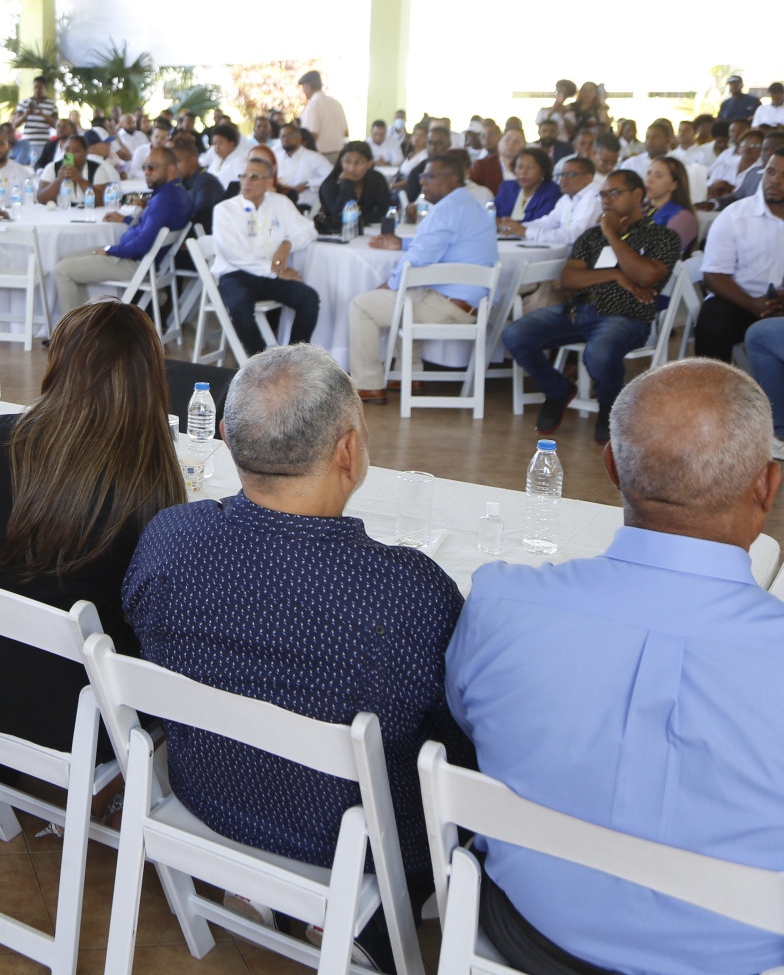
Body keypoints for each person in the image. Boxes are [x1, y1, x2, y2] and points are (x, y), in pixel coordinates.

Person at [125, 343, 465, 970]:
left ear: (226, 437)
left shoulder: (170, 538)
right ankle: (348, 917)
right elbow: (455, 737)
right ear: (348, 451)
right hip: (359, 841)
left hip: (211, 795)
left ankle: (268, 893)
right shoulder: (409, 592)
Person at [447, 359, 784, 975]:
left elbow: (468, 724)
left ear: (611, 467)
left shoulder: (499, 602)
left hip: (528, 933)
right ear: (768, 485)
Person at [0, 301, 180, 758]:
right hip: (83, 712)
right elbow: (156, 617)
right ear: (149, 378)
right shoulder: (150, 479)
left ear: (60, 365)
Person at [505, 171, 681, 441]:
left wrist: (611, 234)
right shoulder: (591, 237)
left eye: (614, 193)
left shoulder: (662, 236)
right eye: (603, 195)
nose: (606, 200)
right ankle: (557, 389)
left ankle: (611, 407)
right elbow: (569, 279)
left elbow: (647, 276)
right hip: (579, 310)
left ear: (637, 195)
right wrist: (616, 275)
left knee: (598, 354)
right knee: (515, 334)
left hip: (625, 315)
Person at [348, 150, 499, 403]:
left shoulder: (446, 209)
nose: (423, 182)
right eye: (422, 177)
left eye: (430, 176)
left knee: (363, 305)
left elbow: (419, 259)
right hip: (472, 304)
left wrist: (389, 285)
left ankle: (369, 385)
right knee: (409, 293)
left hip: (450, 306)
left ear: (454, 178)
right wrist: (403, 244)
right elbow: (442, 244)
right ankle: (408, 375)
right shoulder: (470, 205)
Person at [53, 146, 192, 313]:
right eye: (144, 167)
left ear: (171, 168)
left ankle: (78, 328)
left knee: (63, 270)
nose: (146, 172)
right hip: (142, 261)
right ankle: (86, 322)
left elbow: (142, 245)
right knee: (65, 259)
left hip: (135, 263)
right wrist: (126, 219)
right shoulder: (179, 193)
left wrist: (109, 250)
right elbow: (153, 226)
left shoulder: (164, 199)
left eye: (152, 167)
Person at [210, 156, 319, 355]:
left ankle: (293, 360)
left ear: (269, 181)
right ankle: (260, 361)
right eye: (243, 175)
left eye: (254, 177)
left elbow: (308, 229)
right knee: (239, 306)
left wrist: (288, 244)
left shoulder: (280, 203)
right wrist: (275, 271)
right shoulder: (224, 210)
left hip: (271, 275)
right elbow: (234, 254)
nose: (246, 181)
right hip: (236, 275)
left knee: (309, 298)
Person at [698, 151, 784, 363]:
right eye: (771, 172)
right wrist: (752, 303)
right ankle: (710, 383)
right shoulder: (735, 215)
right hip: (740, 300)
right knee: (713, 320)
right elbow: (713, 275)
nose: (775, 180)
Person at [516, 155, 601, 248]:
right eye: (561, 175)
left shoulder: (594, 197)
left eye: (570, 175)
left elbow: (576, 235)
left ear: (588, 178)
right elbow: (549, 222)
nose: (562, 179)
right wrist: (516, 227)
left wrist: (526, 232)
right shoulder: (567, 198)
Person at [313, 141, 393, 233]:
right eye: (347, 162)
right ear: (341, 161)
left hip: (369, 232)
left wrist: (359, 219)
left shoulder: (377, 179)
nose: (352, 168)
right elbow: (337, 213)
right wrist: (347, 184)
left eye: (358, 163)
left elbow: (386, 211)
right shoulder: (330, 183)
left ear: (370, 164)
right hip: (335, 234)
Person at [35, 134, 116, 207]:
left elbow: (102, 201)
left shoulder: (97, 169)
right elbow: (41, 199)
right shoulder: (53, 168)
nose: (71, 154)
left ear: (85, 152)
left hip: (87, 215)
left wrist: (80, 180)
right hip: (59, 215)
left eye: (76, 150)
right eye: (67, 150)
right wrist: (58, 180)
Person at [493, 146, 561, 229]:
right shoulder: (507, 187)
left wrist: (509, 225)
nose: (523, 172)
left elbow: (540, 223)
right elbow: (493, 215)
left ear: (543, 171)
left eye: (530, 167)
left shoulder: (552, 192)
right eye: (520, 167)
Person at [643, 154, 698, 254]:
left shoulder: (683, 217)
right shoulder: (640, 208)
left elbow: (661, 253)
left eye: (658, 176)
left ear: (674, 185)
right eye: (648, 173)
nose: (649, 179)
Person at [172, 138, 227, 233]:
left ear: (193, 160)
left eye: (178, 161)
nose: (174, 167)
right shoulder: (186, 182)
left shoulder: (206, 182)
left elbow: (202, 215)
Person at [275, 123, 332, 209]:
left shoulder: (314, 157)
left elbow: (332, 178)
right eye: (282, 136)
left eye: (289, 135)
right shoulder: (276, 157)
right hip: (280, 205)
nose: (285, 139)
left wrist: (308, 184)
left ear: (300, 138)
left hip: (305, 207)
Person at [297, 69, 347, 153]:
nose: (303, 91)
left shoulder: (313, 105)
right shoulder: (336, 103)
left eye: (303, 87)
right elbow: (345, 132)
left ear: (308, 86)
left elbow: (312, 135)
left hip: (320, 154)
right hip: (339, 153)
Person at [13, 76, 59, 163]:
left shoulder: (51, 104)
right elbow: (15, 124)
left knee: (41, 167)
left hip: (44, 144)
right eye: (35, 87)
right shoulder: (24, 102)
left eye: (40, 87)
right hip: (27, 143)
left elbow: (56, 125)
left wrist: (42, 114)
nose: (37, 90)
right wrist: (26, 114)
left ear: (46, 88)